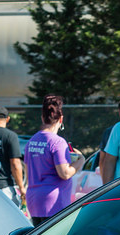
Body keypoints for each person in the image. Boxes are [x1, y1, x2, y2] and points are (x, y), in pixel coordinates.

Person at [24, 94, 84, 226]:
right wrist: (80, 160)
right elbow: (64, 173)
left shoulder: (31, 141)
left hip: (34, 200)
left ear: (42, 117)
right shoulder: (58, 142)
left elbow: (28, 173)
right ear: (61, 118)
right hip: (53, 202)